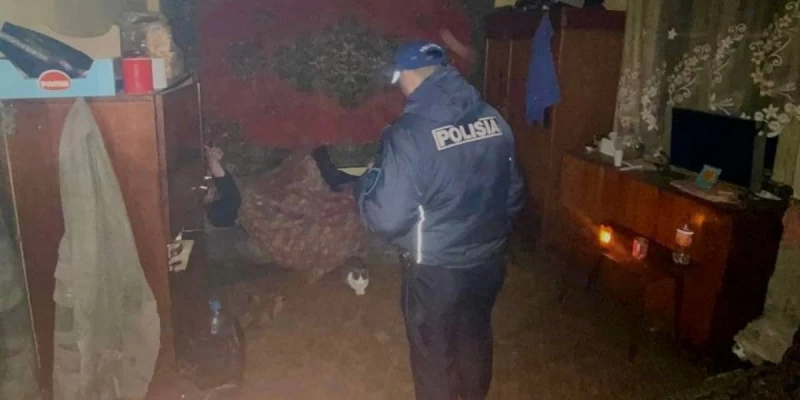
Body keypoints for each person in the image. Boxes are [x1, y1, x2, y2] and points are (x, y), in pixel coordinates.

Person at [355, 41, 525, 400]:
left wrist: (367, 184)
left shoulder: (408, 135)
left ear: (407, 75)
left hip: (436, 272)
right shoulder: (495, 120)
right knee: (474, 337)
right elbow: (513, 193)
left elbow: (386, 218)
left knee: (433, 355)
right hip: (488, 264)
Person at [204, 144, 241, 228]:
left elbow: (216, 170)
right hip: (221, 217)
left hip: (223, 218)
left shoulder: (226, 170)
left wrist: (211, 157)